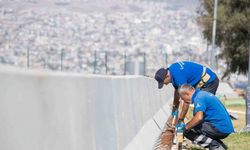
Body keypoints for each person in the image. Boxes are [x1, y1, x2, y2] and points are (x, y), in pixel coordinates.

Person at [154, 61, 219, 124]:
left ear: (167, 75)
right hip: (203, 83)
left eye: (163, 82)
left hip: (210, 82)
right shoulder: (172, 71)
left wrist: (181, 119)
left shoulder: (178, 77)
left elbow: (187, 100)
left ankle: (214, 128)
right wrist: (175, 108)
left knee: (201, 112)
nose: (165, 84)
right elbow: (177, 92)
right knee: (198, 112)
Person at [176, 84, 234, 150]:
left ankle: (215, 146)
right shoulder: (202, 94)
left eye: (183, 98)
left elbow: (199, 118)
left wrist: (186, 128)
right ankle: (219, 146)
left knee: (187, 129)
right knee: (191, 125)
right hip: (224, 127)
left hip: (221, 129)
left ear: (187, 94)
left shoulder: (199, 97)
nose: (184, 101)